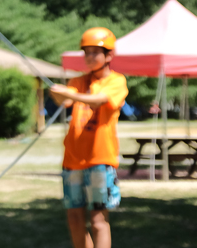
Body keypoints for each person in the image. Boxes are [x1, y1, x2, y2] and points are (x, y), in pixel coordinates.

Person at [50, 27, 128, 248]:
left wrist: (69, 94)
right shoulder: (77, 82)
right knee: (74, 219)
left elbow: (100, 100)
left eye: (96, 52)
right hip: (73, 160)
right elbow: (63, 102)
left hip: (100, 160)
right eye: (87, 52)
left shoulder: (117, 81)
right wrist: (58, 93)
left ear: (109, 56)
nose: (90, 57)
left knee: (98, 219)